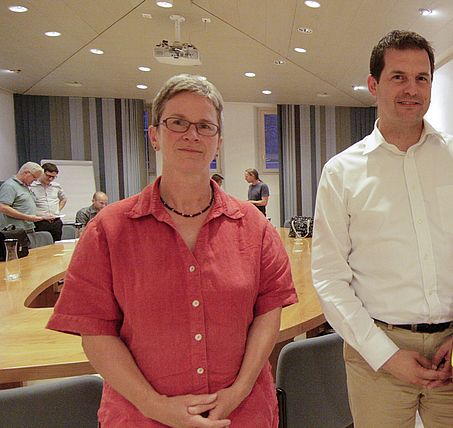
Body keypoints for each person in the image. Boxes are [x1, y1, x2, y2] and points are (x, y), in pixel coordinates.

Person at [47, 74, 298, 428]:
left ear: (218, 143)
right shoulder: (108, 229)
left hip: (242, 414)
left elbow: (269, 312)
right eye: (177, 122)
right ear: (155, 136)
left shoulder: (254, 227)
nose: (191, 135)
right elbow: (96, 332)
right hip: (140, 418)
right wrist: (154, 406)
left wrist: (239, 391)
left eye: (205, 126)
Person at [312, 30, 453, 428]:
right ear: (373, 85)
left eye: (422, 78)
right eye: (398, 77)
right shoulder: (342, 173)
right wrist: (385, 354)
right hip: (377, 351)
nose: (411, 89)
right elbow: (329, 278)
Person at [0, 162, 49, 231]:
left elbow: (25, 209)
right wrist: (27, 217)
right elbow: (3, 207)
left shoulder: (26, 186)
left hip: (28, 227)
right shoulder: (10, 186)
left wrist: (43, 215)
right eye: (35, 177)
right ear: (26, 173)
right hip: (15, 230)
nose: (35, 180)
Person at [30, 162, 67, 241]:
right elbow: (28, 206)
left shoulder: (56, 186)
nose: (50, 179)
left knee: (57, 246)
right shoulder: (31, 186)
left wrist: (58, 209)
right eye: (48, 176)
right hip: (40, 221)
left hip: (55, 221)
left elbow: (63, 198)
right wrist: (42, 214)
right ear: (42, 173)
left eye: (53, 177)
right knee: (42, 246)